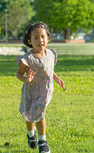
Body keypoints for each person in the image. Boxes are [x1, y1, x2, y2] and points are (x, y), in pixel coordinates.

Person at [15, 22, 65, 152]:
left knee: (39, 112)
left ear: (48, 38)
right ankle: (31, 134)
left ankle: (43, 142)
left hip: (45, 91)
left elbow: (49, 69)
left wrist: (57, 78)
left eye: (43, 37)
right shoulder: (28, 58)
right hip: (31, 91)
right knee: (29, 115)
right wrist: (27, 79)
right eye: (36, 38)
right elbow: (19, 73)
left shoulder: (50, 54)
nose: (40, 40)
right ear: (29, 41)